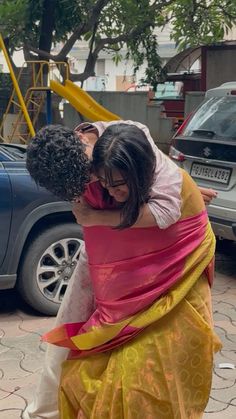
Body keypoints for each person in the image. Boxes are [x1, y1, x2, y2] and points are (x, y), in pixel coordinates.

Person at [24, 123, 220, 419]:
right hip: (110, 268)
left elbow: (167, 209)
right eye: (99, 182)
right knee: (72, 346)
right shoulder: (75, 168)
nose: (100, 186)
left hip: (176, 268)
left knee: (158, 368)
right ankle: (44, 410)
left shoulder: (135, 150)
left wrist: (97, 217)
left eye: (109, 181)